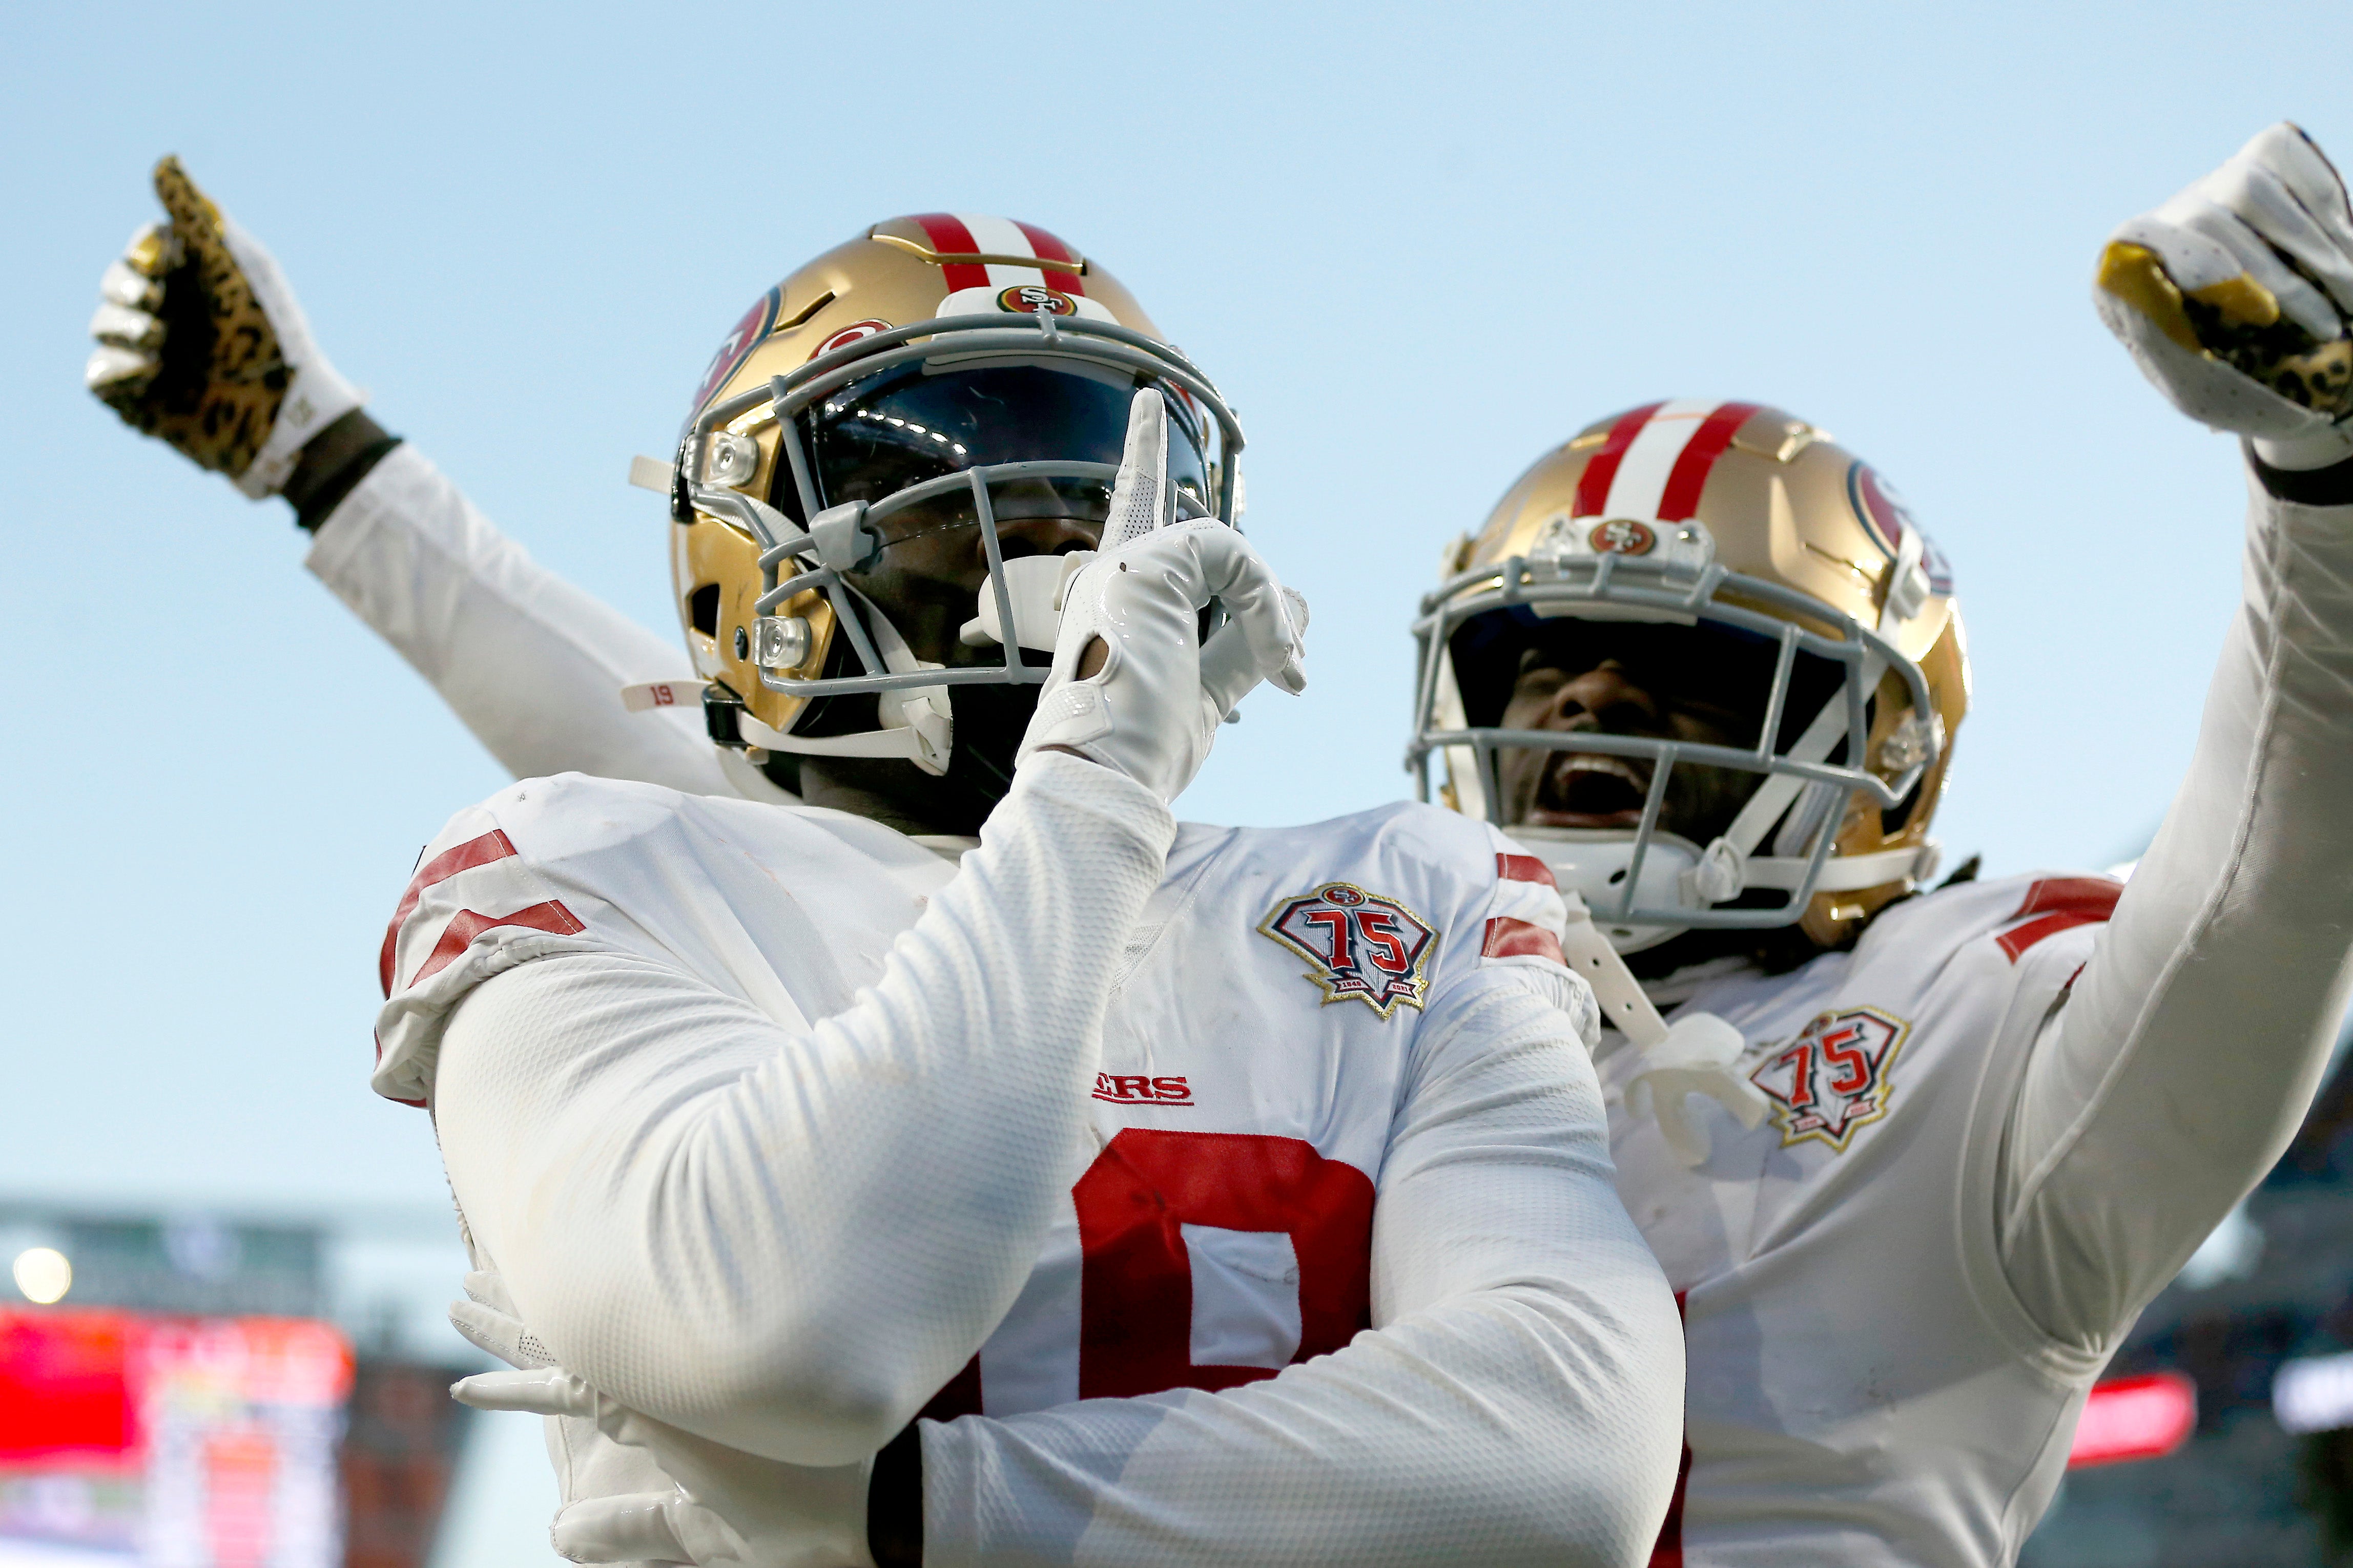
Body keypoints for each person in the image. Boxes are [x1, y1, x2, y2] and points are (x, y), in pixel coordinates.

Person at [88, 169, 1683, 1566]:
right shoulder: (585, 865)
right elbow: (801, 1327)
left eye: (1096, 467)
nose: (1062, 525)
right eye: (958, 461)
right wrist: (1098, 777)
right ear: (752, 569)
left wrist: (914, 1514)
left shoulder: (1411, 898)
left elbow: (1564, 1466)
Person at [1402, 121, 2353, 1565]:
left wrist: (2327, 487)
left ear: (1874, 755)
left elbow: (2268, 886)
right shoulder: (1365, 1018)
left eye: (1696, 669)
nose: (1591, 698)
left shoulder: (1966, 1034)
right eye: (1542, 663)